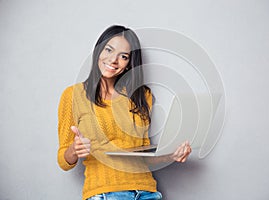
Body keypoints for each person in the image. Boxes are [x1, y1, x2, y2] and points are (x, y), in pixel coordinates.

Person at [57, 25, 192, 200]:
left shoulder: (142, 96)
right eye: (108, 50)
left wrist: (171, 155)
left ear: (129, 64)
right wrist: (74, 150)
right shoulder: (73, 95)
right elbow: (63, 160)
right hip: (104, 192)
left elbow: (143, 155)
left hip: (147, 191)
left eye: (123, 56)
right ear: (98, 51)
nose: (113, 60)